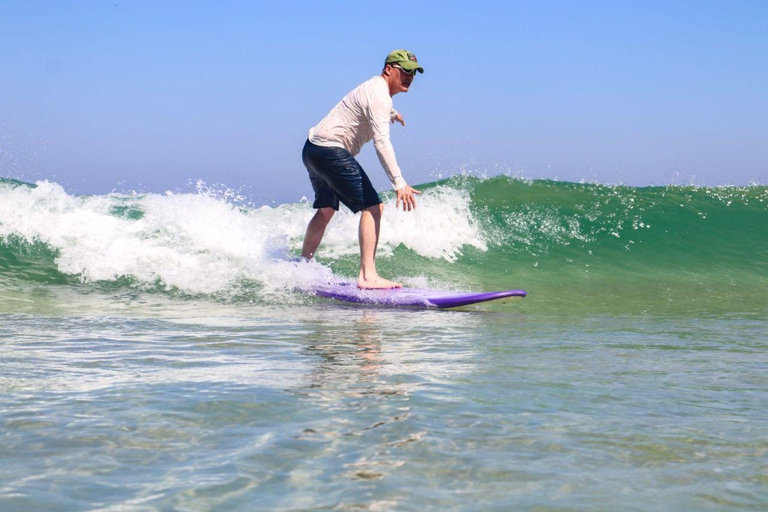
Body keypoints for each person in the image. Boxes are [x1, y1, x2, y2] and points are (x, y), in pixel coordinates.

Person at [301, 49, 424, 289]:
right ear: (389, 69)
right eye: (404, 70)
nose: (410, 76)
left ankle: (302, 267)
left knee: (326, 209)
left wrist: (393, 114)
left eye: (413, 72)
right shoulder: (379, 95)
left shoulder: (376, 91)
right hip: (330, 150)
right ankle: (367, 276)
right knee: (374, 206)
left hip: (312, 149)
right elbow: (381, 142)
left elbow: (374, 109)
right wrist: (399, 183)